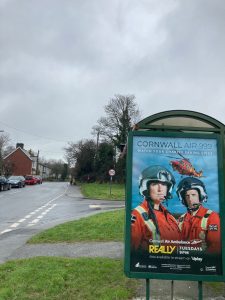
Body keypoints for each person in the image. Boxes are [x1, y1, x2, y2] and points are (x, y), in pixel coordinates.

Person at [131, 165, 181, 253]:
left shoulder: (170, 217)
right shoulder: (137, 215)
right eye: (154, 184)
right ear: (146, 187)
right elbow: (132, 252)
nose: (160, 189)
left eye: (164, 184)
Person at [176, 177, 221, 254]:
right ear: (183, 199)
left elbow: (215, 246)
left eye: (193, 195)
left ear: (200, 196)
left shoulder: (212, 217)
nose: (190, 199)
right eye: (187, 196)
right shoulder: (181, 219)